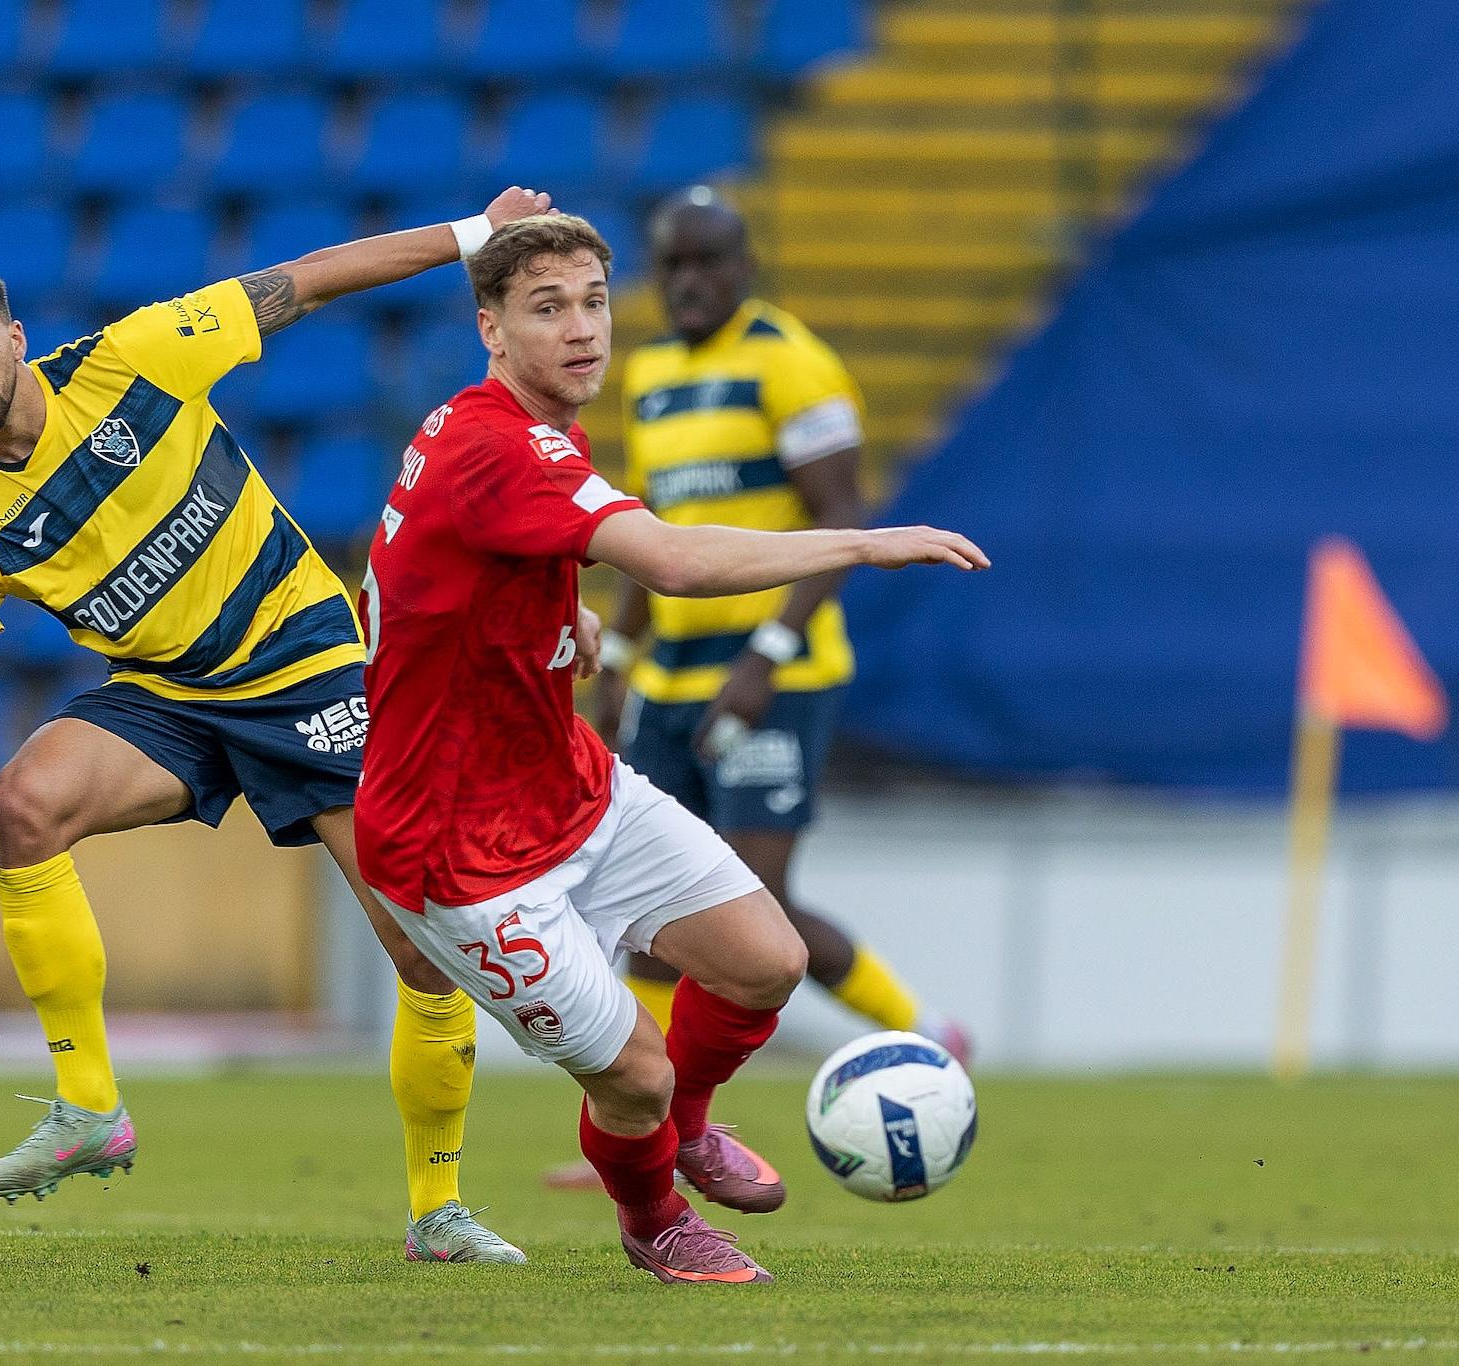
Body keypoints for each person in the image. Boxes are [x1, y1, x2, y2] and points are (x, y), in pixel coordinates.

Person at [0, 188, 553, 1263]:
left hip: (304, 665)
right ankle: (88, 1108)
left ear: (14, 339)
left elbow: (310, 276)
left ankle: (436, 1209)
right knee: (23, 805)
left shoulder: (134, 360)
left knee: (420, 946)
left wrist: (474, 235)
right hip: (172, 692)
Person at [354, 213, 988, 1284]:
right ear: (490, 329)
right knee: (633, 1076)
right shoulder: (494, 445)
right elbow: (676, 562)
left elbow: (426, 577)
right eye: (545, 308)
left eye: (593, 301)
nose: (580, 330)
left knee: (766, 960)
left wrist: (562, 620)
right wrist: (860, 541)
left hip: (563, 782)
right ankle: (652, 1214)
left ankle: (686, 1128)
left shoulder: (519, 428)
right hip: (454, 848)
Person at [595, 187, 972, 1060]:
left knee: (754, 904)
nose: (688, 282)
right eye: (673, 265)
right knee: (652, 908)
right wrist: (617, 655)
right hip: (672, 676)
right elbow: (651, 528)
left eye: (706, 263)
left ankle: (926, 1033)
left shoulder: (792, 364)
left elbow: (842, 522)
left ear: (745, 267)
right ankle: (644, 1128)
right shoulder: (649, 375)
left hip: (777, 676)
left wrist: (764, 658)